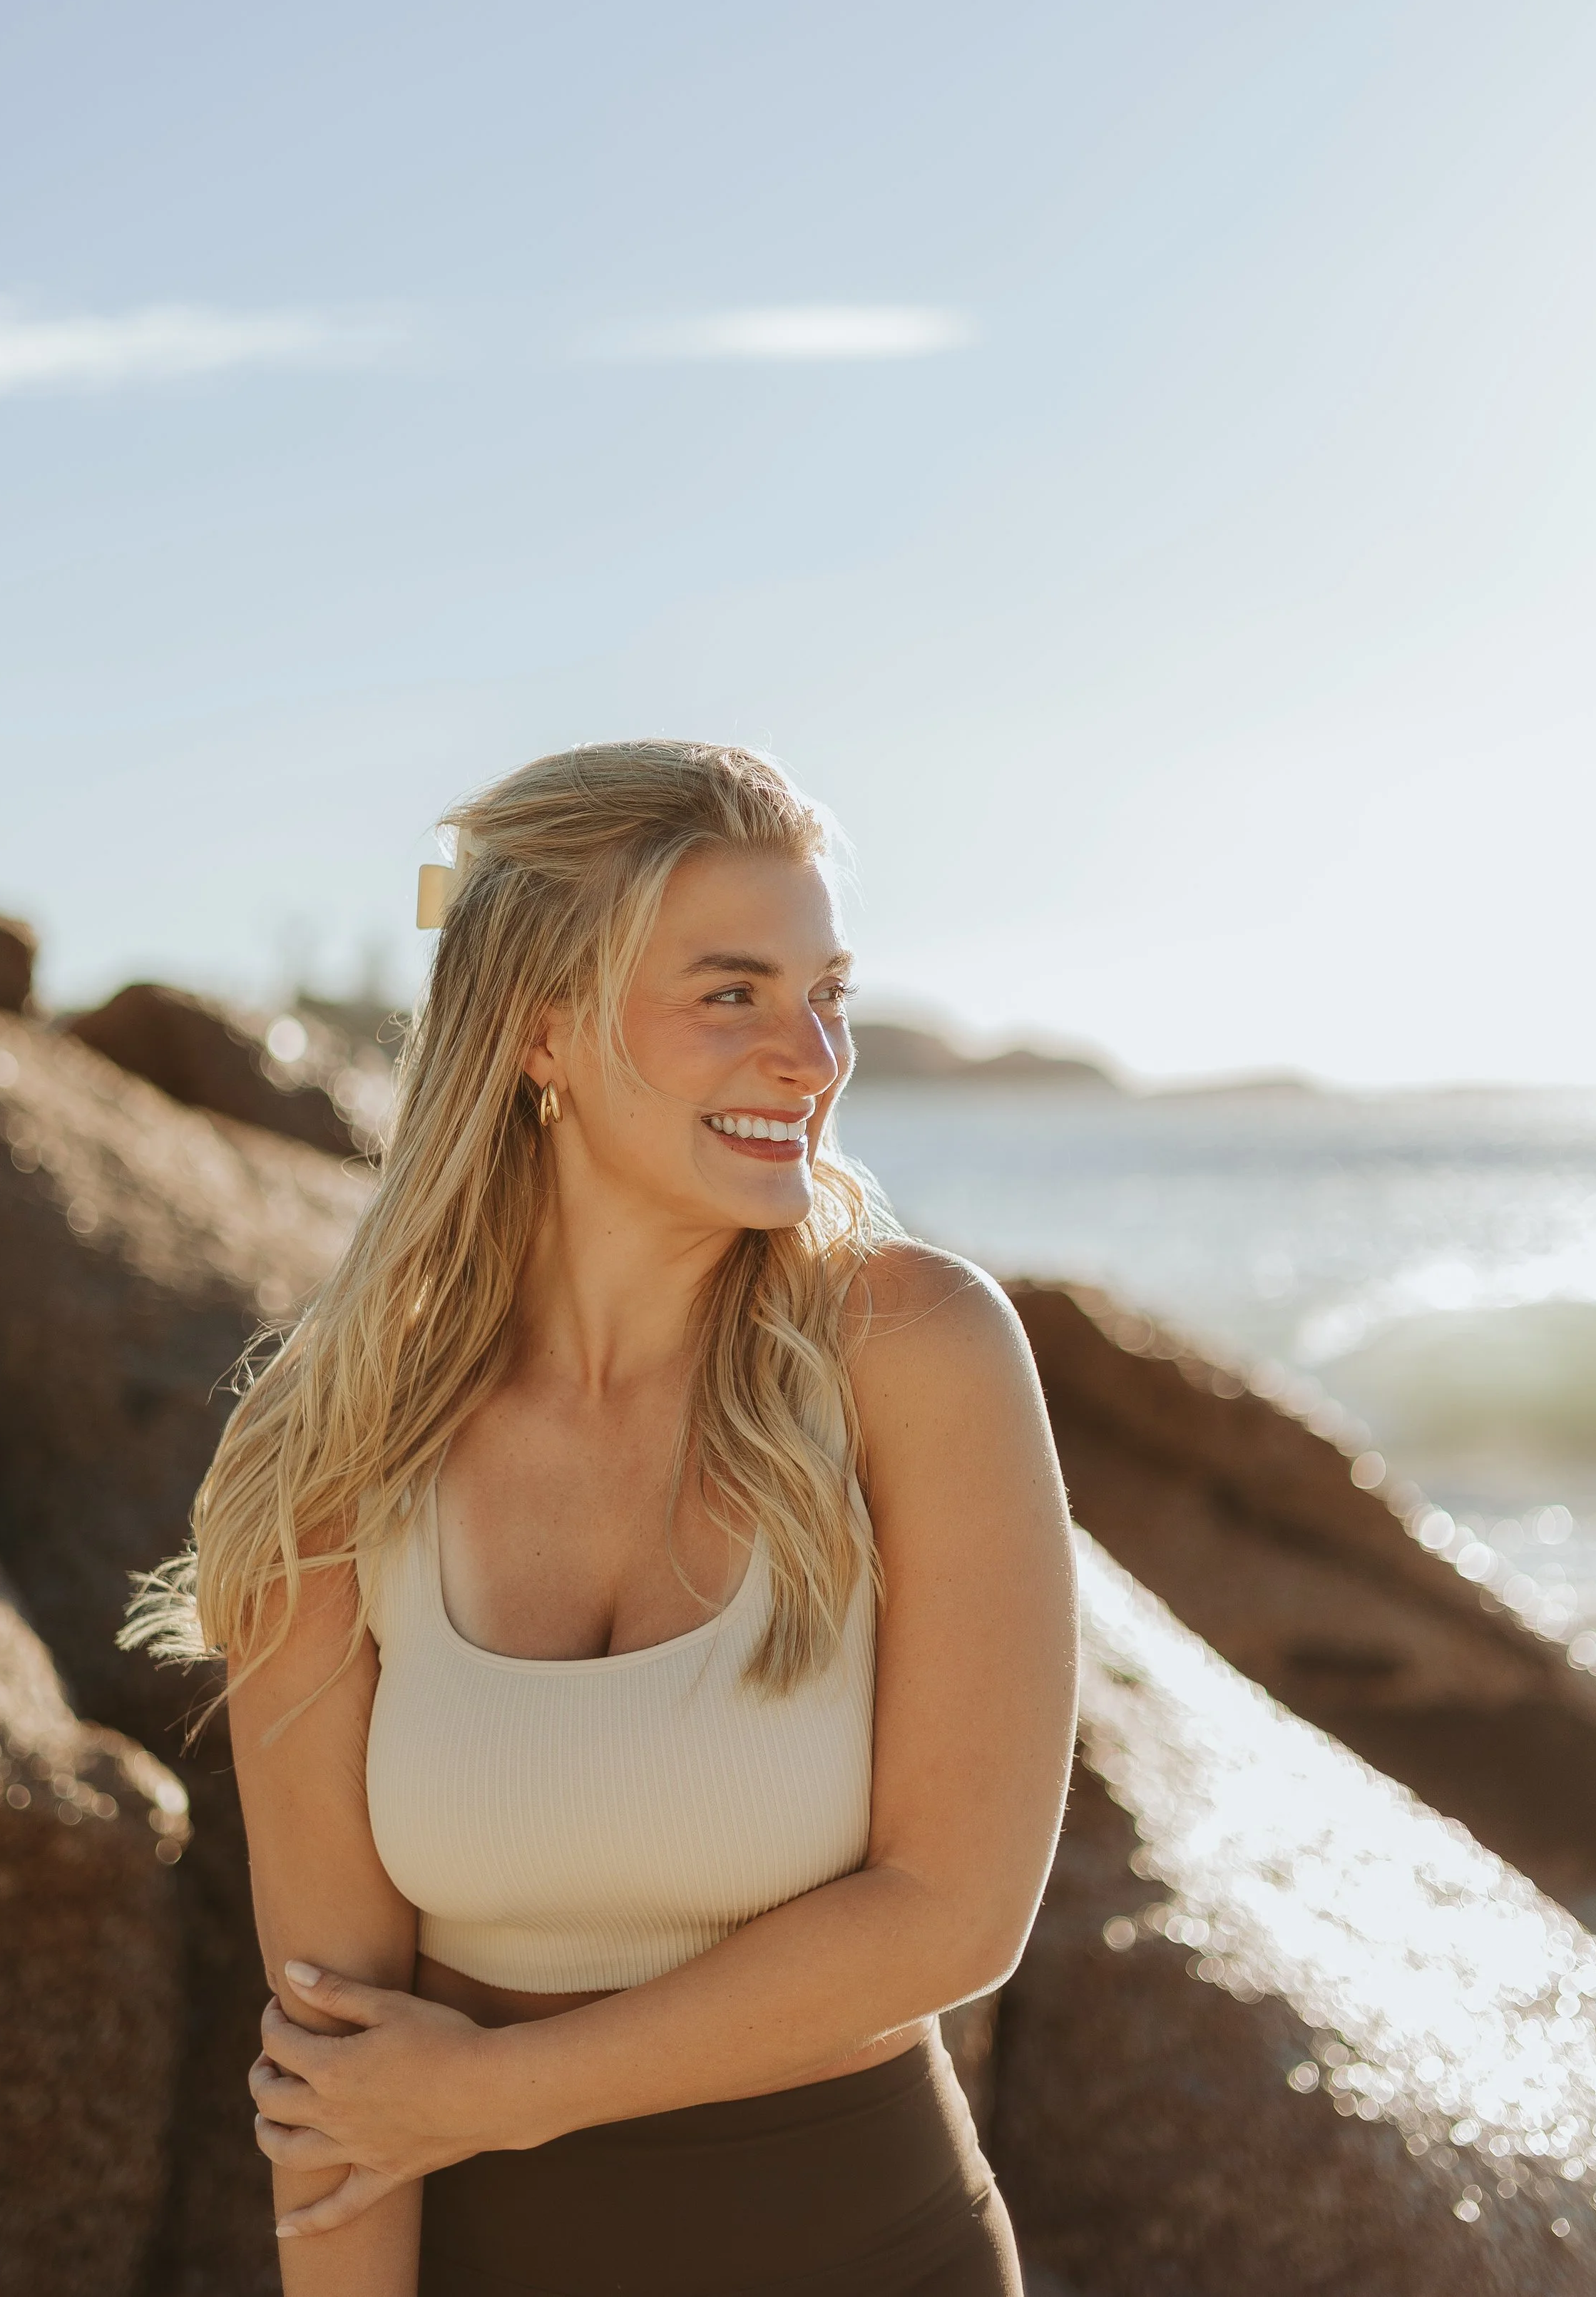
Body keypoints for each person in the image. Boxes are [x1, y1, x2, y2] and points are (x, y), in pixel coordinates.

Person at [127, 740, 1078, 2296]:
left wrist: (491, 2094)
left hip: (869, 2253)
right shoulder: (332, 1442)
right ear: (539, 1031)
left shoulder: (914, 1350)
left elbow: (951, 1915)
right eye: (732, 995)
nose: (811, 1056)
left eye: (825, 993)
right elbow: (334, 2053)